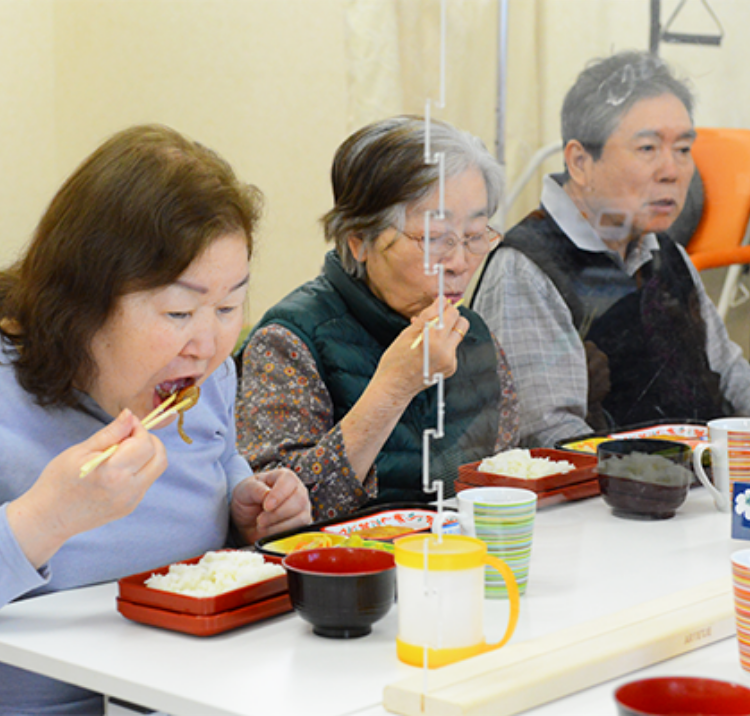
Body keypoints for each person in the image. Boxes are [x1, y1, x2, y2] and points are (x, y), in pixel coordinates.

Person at [0, 124, 311, 715]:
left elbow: (218, 459)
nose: (208, 342)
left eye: (227, 307)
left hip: (196, 694)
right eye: (178, 310)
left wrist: (243, 501)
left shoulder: (208, 376)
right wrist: (47, 518)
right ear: (84, 299)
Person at [236, 116, 519, 521]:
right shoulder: (289, 339)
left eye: (474, 236)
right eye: (435, 239)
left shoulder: (471, 334)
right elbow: (273, 517)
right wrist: (393, 388)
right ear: (360, 240)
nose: (458, 262)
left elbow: (506, 481)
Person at [472, 50, 750, 448]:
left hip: (701, 489)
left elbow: (732, 378)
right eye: (648, 149)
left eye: (684, 149)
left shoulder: (667, 253)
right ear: (581, 162)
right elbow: (552, 442)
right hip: (614, 501)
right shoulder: (526, 268)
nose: (672, 170)